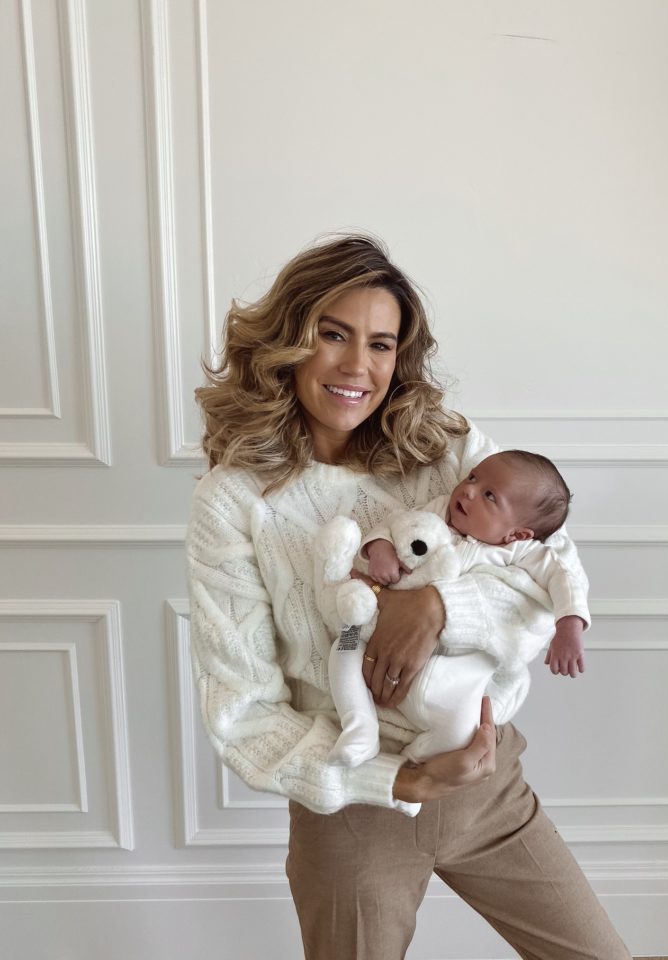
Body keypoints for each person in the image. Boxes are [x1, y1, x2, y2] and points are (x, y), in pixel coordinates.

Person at [187, 234, 631, 959]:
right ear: (288, 342)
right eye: (333, 334)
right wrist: (402, 777)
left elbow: (542, 567)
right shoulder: (233, 500)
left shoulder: (446, 445)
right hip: (354, 818)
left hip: (488, 784)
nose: (357, 366)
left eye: (381, 344)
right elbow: (244, 715)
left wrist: (439, 607)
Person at [324, 449, 590, 767]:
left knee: (465, 731)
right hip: (377, 639)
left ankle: (414, 763)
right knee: (345, 646)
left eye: (489, 495)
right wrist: (380, 549)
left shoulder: (522, 553)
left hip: (453, 680)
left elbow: (564, 579)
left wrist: (569, 624)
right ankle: (360, 728)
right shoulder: (438, 513)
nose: (468, 490)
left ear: (517, 533)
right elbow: (396, 525)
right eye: (473, 477)